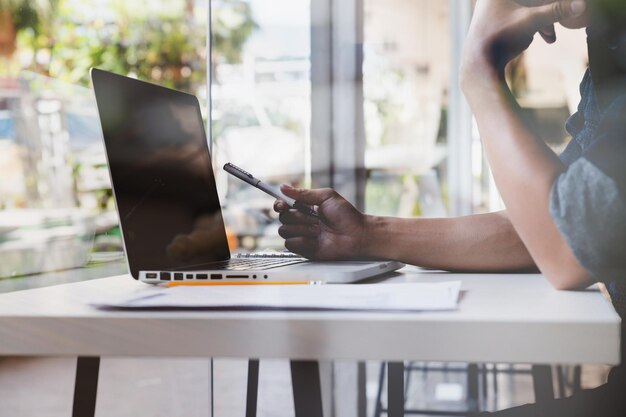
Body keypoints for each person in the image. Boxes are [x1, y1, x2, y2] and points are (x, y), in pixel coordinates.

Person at [274, 0, 626, 415]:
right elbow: (557, 223)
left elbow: (566, 246)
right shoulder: (609, 49)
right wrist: (368, 234)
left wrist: (478, 70)